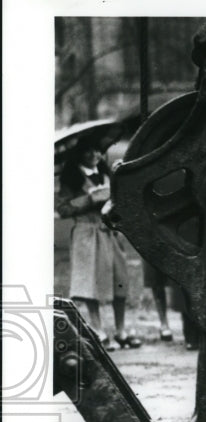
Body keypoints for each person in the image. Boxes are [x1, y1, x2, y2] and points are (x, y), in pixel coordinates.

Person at [57, 143, 142, 350]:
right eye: (89, 150)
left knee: (119, 279)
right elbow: (63, 208)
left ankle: (120, 330)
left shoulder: (106, 174)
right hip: (86, 233)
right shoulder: (71, 180)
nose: (95, 154)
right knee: (90, 281)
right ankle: (98, 329)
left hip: (108, 232)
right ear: (78, 154)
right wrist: (90, 198)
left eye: (97, 150)